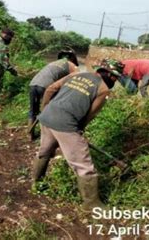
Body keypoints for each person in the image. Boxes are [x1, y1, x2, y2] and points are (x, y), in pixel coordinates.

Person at [31, 60, 121, 211]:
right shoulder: (103, 89)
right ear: (111, 76)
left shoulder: (76, 74)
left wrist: (45, 109)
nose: (115, 81)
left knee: (45, 151)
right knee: (84, 165)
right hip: (66, 124)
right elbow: (90, 114)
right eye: (116, 78)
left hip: (46, 117)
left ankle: (36, 182)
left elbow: (50, 89)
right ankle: (91, 203)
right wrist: (79, 129)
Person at [28, 50, 79, 140]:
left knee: (33, 110)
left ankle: (30, 135)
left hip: (33, 83)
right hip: (45, 86)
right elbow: (77, 78)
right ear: (72, 58)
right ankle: (47, 137)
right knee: (49, 110)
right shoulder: (71, 65)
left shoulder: (54, 63)